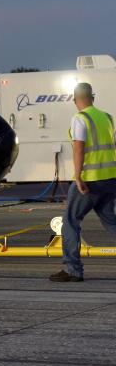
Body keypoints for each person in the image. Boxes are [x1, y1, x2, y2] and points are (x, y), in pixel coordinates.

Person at [51, 83, 116, 282]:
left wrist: (77, 177)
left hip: (89, 181)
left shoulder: (80, 119)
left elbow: (79, 148)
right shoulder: (107, 118)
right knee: (111, 222)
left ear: (75, 99)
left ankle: (72, 270)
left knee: (70, 222)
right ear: (92, 97)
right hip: (110, 178)